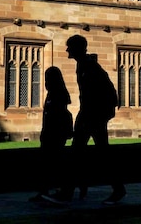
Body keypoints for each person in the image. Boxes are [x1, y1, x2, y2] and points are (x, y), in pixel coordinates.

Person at [43, 34, 126, 205]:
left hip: (92, 116)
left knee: (84, 153)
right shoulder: (83, 65)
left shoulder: (89, 66)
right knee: (87, 153)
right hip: (89, 114)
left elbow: (101, 92)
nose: (67, 50)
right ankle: (115, 189)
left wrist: (94, 115)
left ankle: (69, 192)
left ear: (77, 48)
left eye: (69, 47)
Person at [30, 66, 74, 202]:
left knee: (56, 164)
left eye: (48, 78)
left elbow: (58, 116)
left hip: (55, 135)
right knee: (46, 165)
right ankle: (44, 191)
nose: (46, 82)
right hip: (49, 134)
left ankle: (64, 191)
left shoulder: (58, 94)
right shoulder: (52, 94)